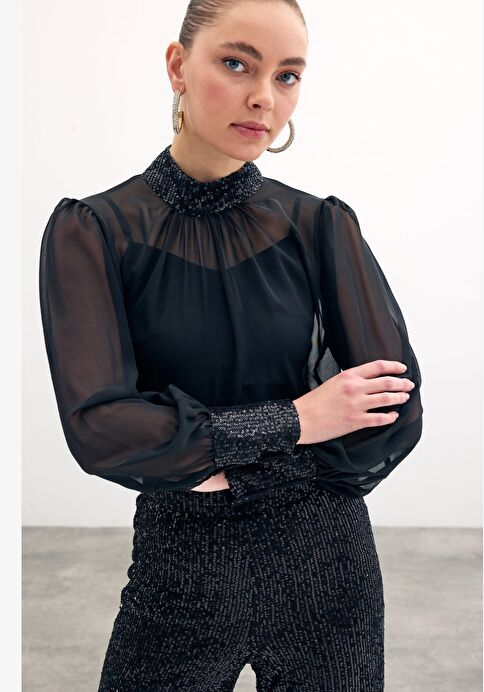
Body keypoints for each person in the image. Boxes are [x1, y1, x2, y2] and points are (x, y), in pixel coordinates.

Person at [38, 0, 423, 689]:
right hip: (180, 573)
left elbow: (391, 410)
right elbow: (101, 426)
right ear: (177, 66)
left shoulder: (320, 225)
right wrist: (298, 420)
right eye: (237, 63)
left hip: (327, 571)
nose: (263, 96)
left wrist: (203, 451)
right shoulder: (93, 231)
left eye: (287, 75)